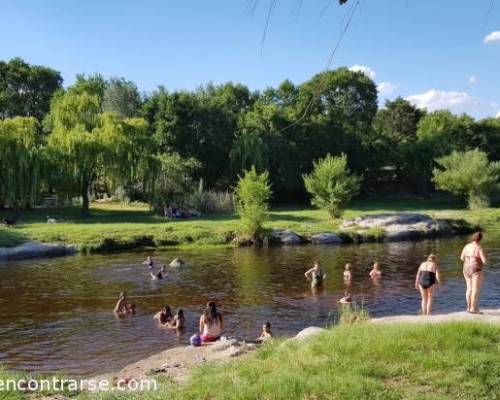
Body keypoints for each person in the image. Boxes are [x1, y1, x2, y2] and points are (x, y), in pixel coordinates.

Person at [460, 232, 487, 314]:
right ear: (480, 239)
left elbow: (461, 258)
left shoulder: (466, 246)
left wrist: (469, 259)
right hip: (475, 268)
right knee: (475, 289)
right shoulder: (478, 248)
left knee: (469, 288)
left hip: (466, 267)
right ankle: (473, 308)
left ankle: (468, 308)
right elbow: (484, 261)